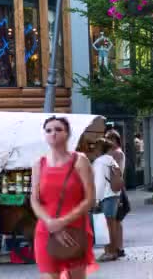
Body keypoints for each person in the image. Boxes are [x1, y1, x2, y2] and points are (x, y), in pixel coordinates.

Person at [31, 116, 96, 279]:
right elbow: (34, 199)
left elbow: (90, 199)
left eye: (58, 129)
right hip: (47, 229)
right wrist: (50, 222)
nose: (53, 133)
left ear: (67, 134)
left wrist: (62, 222)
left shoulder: (79, 161)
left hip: (74, 229)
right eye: (48, 130)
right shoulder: (39, 164)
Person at [92, 138, 122, 262]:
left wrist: (96, 199)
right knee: (111, 224)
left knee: (106, 226)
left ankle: (109, 252)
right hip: (114, 195)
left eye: (95, 147)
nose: (93, 149)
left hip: (105, 196)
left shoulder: (99, 162)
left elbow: (99, 182)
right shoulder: (111, 160)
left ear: (100, 149)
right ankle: (113, 251)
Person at [105, 130, 127, 259]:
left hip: (115, 188)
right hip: (111, 187)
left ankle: (118, 247)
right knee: (114, 219)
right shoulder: (109, 153)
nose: (110, 141)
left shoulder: (117, 153)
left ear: (117, 140)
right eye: (108, 139)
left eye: (112, 139)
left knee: (117, 219)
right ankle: (116, 247)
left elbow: (116, 171)